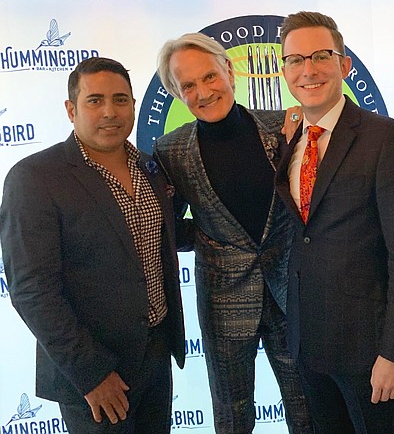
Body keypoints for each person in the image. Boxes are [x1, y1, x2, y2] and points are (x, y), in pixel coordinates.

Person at [0, 57, 185, 433]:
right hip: (95, 373)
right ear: (71, 109)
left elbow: (155, 242)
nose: (109, 112)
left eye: (120, 100)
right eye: (95, 100)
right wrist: (92, 375)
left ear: (133, 105)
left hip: (155, 356)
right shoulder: (34, 178)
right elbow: (33, 290)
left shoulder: (150, 168)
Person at [275, 10, 394, 434]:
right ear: (284, 71)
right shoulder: (290, 139)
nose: (309, 70)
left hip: (369, 353)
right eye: (295, 60)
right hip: (309, 347)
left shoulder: (384, 137)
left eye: (321, 56)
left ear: (344, 65)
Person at [153, 33, 312, 434]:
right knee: (232, 414)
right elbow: (166, 229)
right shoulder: (170, 151)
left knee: (306, 405)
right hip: (222, 296)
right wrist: (211, 237)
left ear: (229, 71)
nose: (203, 92)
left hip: (290, 290)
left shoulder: (285, 126)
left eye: (209, 76)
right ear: (176, 94)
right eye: (187, 86)